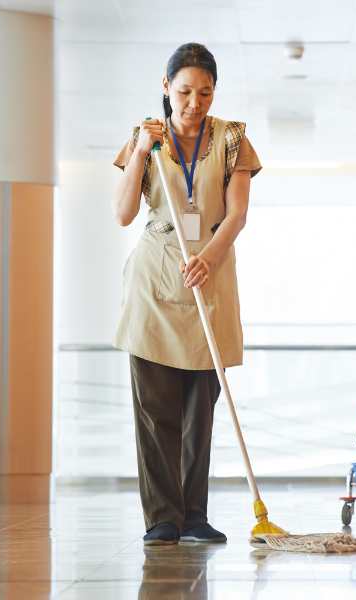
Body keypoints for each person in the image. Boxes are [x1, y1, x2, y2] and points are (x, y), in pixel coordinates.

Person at [112, 43, 261, 546]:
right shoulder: (145, 138)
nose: (194, 102)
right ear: (165, 88)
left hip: (210, 277)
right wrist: (137, 153)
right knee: (157, 413)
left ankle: (194, 516)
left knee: (200, 409)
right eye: (184, 92)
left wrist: (210, 257)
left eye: (204, 92)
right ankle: (162, 518)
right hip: (156, 279)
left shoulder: (232, 138)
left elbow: (237, 213)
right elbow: (124, 213)